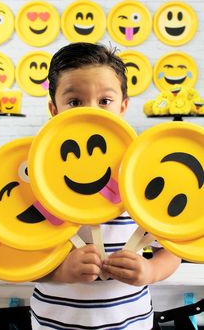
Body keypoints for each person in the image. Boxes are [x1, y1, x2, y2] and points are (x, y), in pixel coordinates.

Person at [30, 42, 181, 330]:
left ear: (123, 107)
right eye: (74, 101)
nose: (92, 112)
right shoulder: (37, 178)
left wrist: (150, 270)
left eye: (105, 101)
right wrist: (61, 271)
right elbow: (18, 254)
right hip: (54, 324)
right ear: (54, 109)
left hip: (131, 323)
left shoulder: (142, 177)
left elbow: (172, 248)